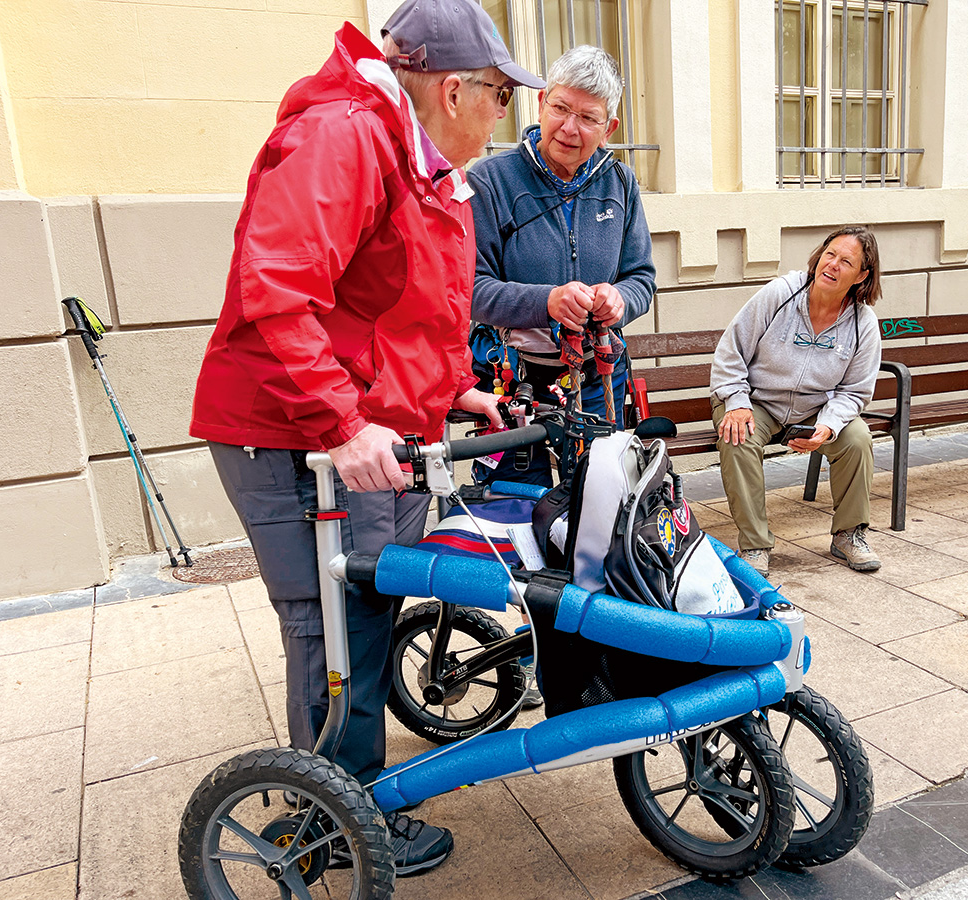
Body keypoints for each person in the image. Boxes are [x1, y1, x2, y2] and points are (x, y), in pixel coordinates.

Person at [189, 0, 543, 876]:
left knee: (370, 604)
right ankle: (334, 824)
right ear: (453, 88)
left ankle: (350, 788)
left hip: (358, 428)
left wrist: (452, 390)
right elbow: (279, 290)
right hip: (291, 434)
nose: (506, 115)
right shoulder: (345, 135)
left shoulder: (410, 152)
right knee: (330, 621)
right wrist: (341, 425)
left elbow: (398, 309)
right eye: (501, 95)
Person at [467, 44, 656, 489]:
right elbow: (470, 289)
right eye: (560, 108)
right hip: (512, 379)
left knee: (600, 499)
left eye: (587, 118)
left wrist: (620, 299)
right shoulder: (490, 181)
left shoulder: (621, 182)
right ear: (541, 102)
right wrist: (545, 302)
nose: (569, 128)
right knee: (517, 503)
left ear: (607, 128)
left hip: (598, 374)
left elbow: (642, 279)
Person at [710, 225, 884, 577]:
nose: (832, 265)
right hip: (755, 400)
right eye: (830, 254)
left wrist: (827, 426)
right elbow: (731, 352)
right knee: (738, 435)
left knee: (857, 438)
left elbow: (855, 391)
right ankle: (755, 545)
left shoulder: (863, 323)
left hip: (814, 409)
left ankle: (849, 534)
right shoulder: (781, 294)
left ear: (862, 275)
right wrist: (736, 400)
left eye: (846, 261)